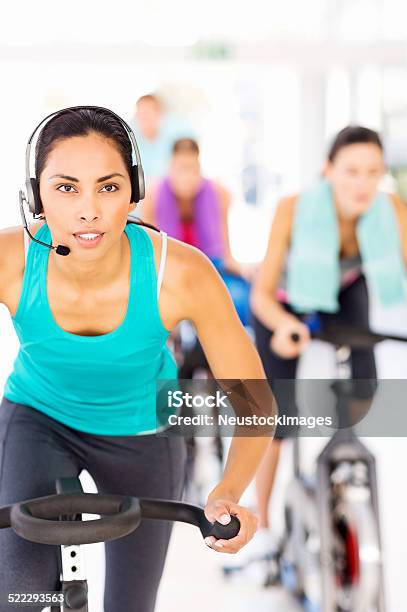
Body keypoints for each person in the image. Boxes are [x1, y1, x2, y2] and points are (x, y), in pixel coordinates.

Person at [0, 107, 275, 612]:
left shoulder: (181, 271)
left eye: (107, 187)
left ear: (134, 189)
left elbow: (255, 403)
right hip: (37, 420)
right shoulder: (10, 259)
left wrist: (230, 490)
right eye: (66, 188)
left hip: (144, 431)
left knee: (131, 605)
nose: (89, 210)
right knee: (19, 598)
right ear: (35, 194)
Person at [249, 125, 407, 562]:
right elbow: (261, 295)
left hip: (344, 288)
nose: (363, 183)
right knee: (274, 414)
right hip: (285, 298)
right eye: (351, 171)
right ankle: (262, 523)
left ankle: (336, 463)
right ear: (328, 171)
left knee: (365, 382)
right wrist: (283, 325)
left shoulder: (390, 208)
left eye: (373, 172)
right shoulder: (294, 208)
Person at [142, 137, 253, 327]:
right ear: (171, 167)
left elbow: (225, 249)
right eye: (181, 168)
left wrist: (239, 268)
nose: (187, 176)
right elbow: (149, 247)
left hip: (211, 265)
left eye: (192, 169)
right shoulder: (153, 194)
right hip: (170, 268)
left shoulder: (220, 193)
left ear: (199, 168)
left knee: (241, 298)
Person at [129, 94, 196, 182]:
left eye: (148, 114)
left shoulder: (175, 134)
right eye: (141, 114)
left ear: (159, 114)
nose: (145, 119)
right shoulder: (130, 140)